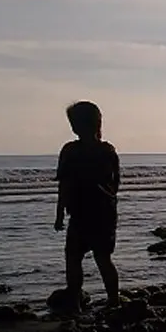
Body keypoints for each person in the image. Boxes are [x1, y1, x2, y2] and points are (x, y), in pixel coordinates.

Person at [54, 101, 120, 308]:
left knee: (73, 258)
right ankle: (114, 300)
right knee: (104, 258)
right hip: (105, 213)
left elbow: (64, 185)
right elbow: (115, 185)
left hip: (80, 214)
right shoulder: (108, 151)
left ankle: (74, 299)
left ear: (75, 126)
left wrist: (59, 214)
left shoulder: (70, 151)